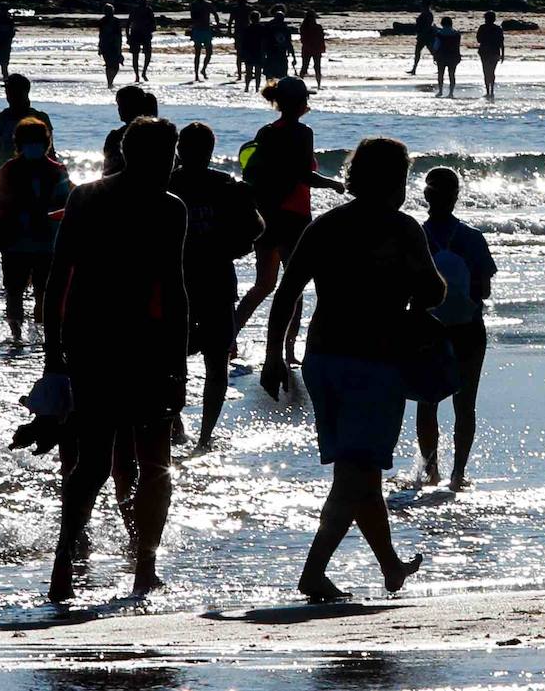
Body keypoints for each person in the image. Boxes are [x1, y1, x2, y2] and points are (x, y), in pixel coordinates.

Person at [261, 137, 441, 601]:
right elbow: (434, 292)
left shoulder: (326, 225)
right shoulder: (403, 229)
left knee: (361, 472)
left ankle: (391, 567)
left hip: (323, 360)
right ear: (396, 180)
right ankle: (313, 573)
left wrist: (274, 355)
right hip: (376, 362)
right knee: (356, 474)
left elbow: (287, 293)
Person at [43, 117, 189, 601]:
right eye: (166, 157)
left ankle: (97, 563)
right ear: (140, 155)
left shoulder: (97, 197)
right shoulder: (158, 207)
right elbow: (172, 289)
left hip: (105, 341)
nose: (170, 166)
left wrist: (54, 353)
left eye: (172, 157)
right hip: (118, 342)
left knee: (114, 463)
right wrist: (52, 356)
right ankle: (124, 566)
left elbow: (59, 276)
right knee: (133, 462)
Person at [234, 77, 345, 363]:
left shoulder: (267, 131)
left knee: (264, 284)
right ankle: (288, 351)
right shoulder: (302, 132)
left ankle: (229, 336)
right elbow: (303, 175)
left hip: (266, 215)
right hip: (293, 216)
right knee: (292, 286)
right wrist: (335, 185)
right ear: (300, 103)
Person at [169, 123, 264, 450]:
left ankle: (178, 425)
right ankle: (204, 435)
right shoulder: (226, 186)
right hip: (214, 282)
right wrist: (231, 246)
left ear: (180, 149)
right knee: (214, 365)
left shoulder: (166, 185)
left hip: (178, 285)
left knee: (172, 362)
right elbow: (255, 230)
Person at [415, 167, 496, 490]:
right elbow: (484, 291)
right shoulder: (473, 238)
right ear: (457, 196)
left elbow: (408, 289)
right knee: (465, 405)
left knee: (427, 402)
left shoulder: (416, 236)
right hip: (469, 328)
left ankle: (431, 469)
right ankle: (459, 473)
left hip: (428, 328)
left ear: (426, 196)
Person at [0, 117, 73, 343]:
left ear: (46, 143)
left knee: (42, 293)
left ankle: (41, 337)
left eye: (37, 141)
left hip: (48, 244)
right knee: (15, 293)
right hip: (14, 242)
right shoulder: (8, 171)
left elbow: (69, 208)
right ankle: (17, 336)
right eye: (29, 141)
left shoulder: (58, 171)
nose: (34, 146)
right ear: (19, 144)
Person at [0, 73, 54, 209]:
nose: (9, 95)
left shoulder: (40, 118)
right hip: (3, 183)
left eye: (13, 91)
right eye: (8, 91)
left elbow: (50, 153)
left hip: (35, 183)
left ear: (25, 92)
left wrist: (57, 182)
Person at [102, 84, 152, 177]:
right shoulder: (157, 132)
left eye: (122, 105)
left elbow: (108, 171)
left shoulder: (116, 136)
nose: (119, 109)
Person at [189, 0, 221, 80]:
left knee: (209, 52)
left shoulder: (208, 4)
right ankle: (196, 74)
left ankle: (203, 69)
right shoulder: (194, 5)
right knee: (198, 53)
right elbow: (193, 18)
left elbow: (215, 14)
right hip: (199, 30)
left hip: (205, 30)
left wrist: (217, 25)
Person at [261, 6, 296, 82]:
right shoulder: (271, 28)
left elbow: (289, 43)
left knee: (279, 76)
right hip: (273, 54)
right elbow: (264, 41)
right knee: (272, 76)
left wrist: (293, 56)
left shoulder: (284, 28)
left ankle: (275, 90)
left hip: (279, 55)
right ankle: (271, 90)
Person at [475, 10, 505, 99]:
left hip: (484, 52)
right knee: (492, 71)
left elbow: (478, 40)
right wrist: (503, 54)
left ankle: (488, 91)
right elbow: (501, 43)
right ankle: (491, 91)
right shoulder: (498, 29)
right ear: (494, 19)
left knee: (486, 71)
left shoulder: (482, 28)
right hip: (495, 52)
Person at [126, 0, 155, 83]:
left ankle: (143, 72)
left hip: (144, 34)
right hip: (136, 34)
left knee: (147, 54)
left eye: (144, 2)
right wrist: (128, 36)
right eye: (142, 2)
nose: (143, 3)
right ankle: (137, 75)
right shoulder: (135, 10)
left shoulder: (148, 10)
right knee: (136, 55)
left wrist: (150, 30)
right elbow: (128, 24)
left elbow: (153, 23)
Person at [432, 16, 461, 98]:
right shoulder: (456, 34)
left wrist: (434, 55)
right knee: (452, 75)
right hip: (453, 56)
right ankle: (451, 92)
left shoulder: (439, 34)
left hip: (442, 56)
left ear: (442, 24)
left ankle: (440, 91)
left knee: (441, 74)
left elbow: (436, 46)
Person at [98, 3, 125, 89]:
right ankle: (109, 82)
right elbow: (101, 35)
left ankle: (110, 81)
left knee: (115, 66)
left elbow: (119, 35)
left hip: (114, 45)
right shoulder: (102, 21)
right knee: (109, 65)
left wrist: (119, 47)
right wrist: (100, 47)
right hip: (106, 45)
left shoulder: (116, 21)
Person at [299, 10, 326, 88]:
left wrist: (322, 47)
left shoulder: (317, 27)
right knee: (305, 67)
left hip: (314, 49)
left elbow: (321, 39)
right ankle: (300, 83)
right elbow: (303, 40)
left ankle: (318, 85)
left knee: (316, 67)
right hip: (309, 49)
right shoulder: (305, 27)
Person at [239, 8, 264, 92]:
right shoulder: (262, 29)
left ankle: (247, 87)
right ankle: (257, 88)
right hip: (259, 52)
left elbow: (243, 42)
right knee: (258, 73)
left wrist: (242, 54)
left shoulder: (247, 29)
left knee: (248, 72)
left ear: (250, 18)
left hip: (249, 52)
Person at [227, 0, 251, 80]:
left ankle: (241, 74)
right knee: (247, 53)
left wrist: (229, 32)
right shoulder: (248, 8)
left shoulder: (235, 9)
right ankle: (246, 72)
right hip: (246, 33)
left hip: (240, 33)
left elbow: (230, 22)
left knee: (239, 54)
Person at [409, 1, 434, 75]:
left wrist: (421, 33)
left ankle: (414, 69)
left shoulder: (427, 14)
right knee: (419, 52)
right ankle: (414, 69)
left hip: (425, 36)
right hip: (424, 36)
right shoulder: (427, 14)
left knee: (430, 52)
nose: (421, 7)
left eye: (422, 6)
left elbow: (427, 26)